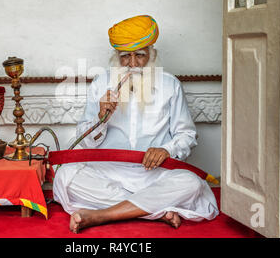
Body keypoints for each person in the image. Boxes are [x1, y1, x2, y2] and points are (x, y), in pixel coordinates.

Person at [53, 15, 219, 233]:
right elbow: (84, 142)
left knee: (191, 182)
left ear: (152, 55)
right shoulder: (101, 83)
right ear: (116, 58)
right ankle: (154, 212)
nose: (132, 64)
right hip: (107, 173)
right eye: (125, 57)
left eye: (140, 55)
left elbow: (186, 135)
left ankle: (101, 215)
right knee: (66, 175)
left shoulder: (170, 85)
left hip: (154, 175)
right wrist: (101, 118)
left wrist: (165, 149)